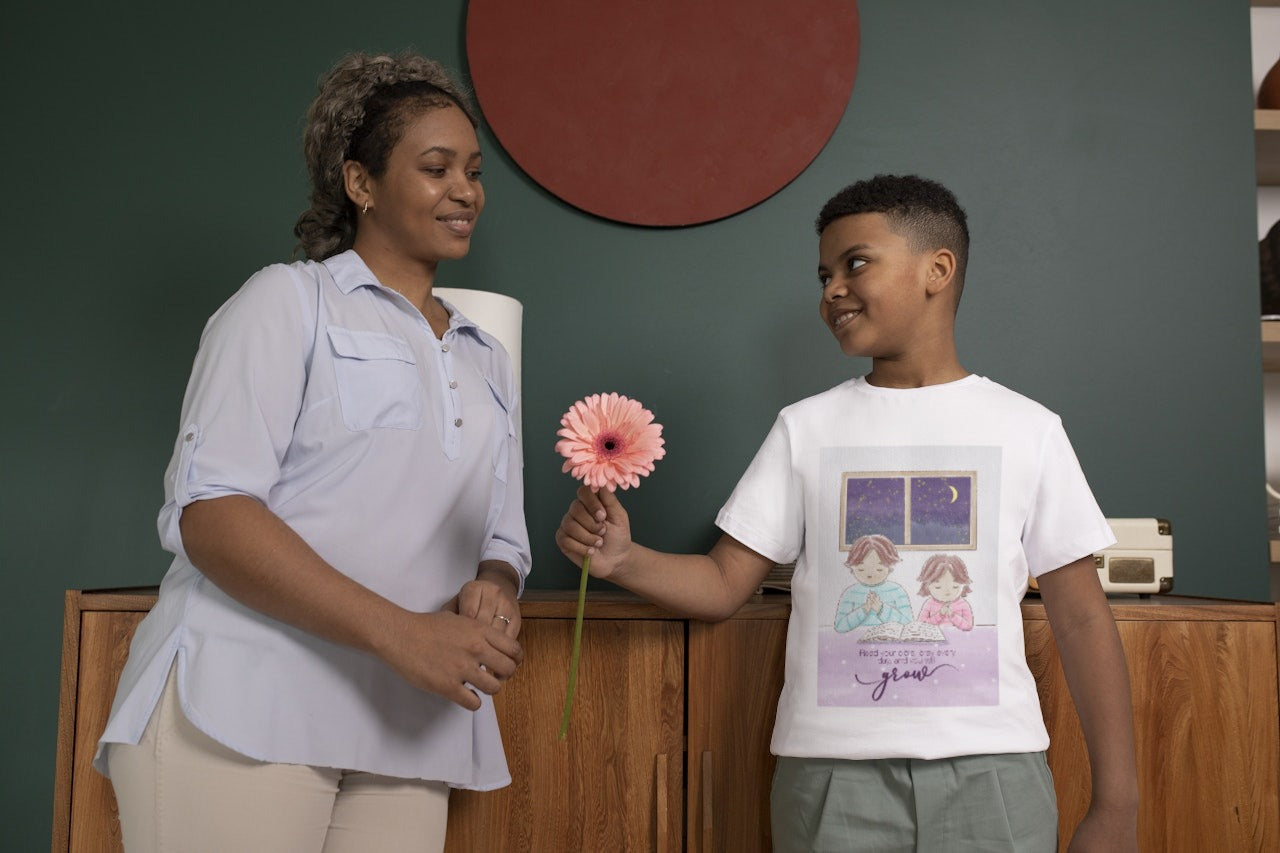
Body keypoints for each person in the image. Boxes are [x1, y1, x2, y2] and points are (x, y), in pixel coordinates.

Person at [557, 175, 1138, 852]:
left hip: (995, 774)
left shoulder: (1028, 429)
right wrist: (623, 558)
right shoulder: (805, 429)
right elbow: (722, 585)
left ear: (937, 270)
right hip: (831, 779)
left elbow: (1081, 615)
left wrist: (1117, 802)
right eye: (824, 273)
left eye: (856, 263)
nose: (832, 288)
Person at [94, 52, 530, 853]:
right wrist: (402, 632)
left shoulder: (485, 358)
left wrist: (494, 590)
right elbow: (214, 517)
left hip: (406, 730)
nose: (466, 190)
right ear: (360, 183)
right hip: (243, 708)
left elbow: (500, 540)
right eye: (436, 168)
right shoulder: (285, 304)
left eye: (472, 171)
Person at [833, 533, 912, 631]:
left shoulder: (897, 591)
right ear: (852, 568)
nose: (870, 575)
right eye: (861, 569)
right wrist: (864, 609)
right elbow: (840, 627)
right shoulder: (850, 593)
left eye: (879, 569)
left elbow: (909, 624)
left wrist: (881, 609)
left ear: (890, 567)